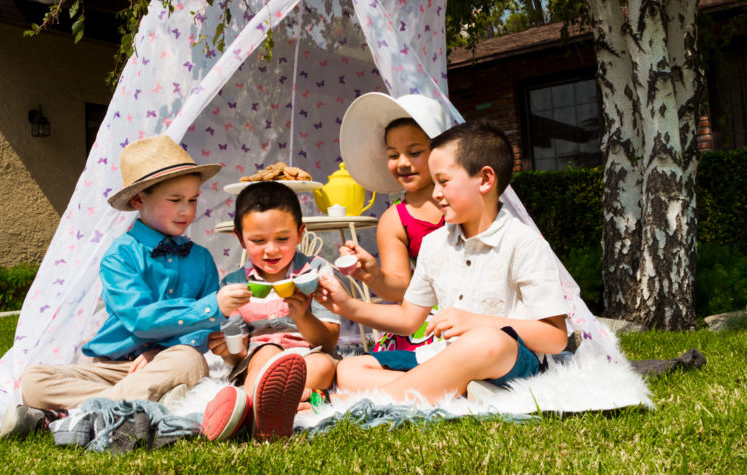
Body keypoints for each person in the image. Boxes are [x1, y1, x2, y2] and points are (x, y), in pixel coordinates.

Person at [0, 135, 252, 439]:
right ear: (137, 201)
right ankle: (142, 406)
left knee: (189, 360)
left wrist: (162, 351)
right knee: (33, 380)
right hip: (111, 369)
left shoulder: (201, 259)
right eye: (175, 200)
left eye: (192, 200)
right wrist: (212, 306)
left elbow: (203, 334)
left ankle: (71, 417)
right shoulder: (119, 256)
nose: (186, 210)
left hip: (167, 364)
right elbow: (138, 317)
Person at [318, 121, 569, 401]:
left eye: (444, 182)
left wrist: (475, 322)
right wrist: (348, 306)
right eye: (435, 182)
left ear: (485, 180)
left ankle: (373, 401)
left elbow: (555, 338)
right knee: (351, 369)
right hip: (443, 354)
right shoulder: (434, 244)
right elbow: (408, 318)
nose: (436, 193)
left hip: (509, 360)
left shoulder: (524, 243)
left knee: (485, 341)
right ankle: (454, 390)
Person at [201, 181, 340, 441]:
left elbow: (329, 341)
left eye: (282, 238)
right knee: (268, 351)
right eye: (258, 240)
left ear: (300, 233)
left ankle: (259, 411)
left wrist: (302, 315)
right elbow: (238, 352)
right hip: (258, 358)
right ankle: (263, 407)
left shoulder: (317, 272)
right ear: (241, 238)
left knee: (322, 365)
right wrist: (228, 349)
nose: (271, 249)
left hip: (309, 354)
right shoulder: (234, 284)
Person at [337, 92, 450, 352]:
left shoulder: (463, 202)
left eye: (414, 152)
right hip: (423, 316)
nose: (403, 163)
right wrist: (374, 275)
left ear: (439, 152)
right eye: (393, 154)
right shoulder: (394, 220)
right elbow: (401, 287)